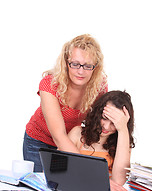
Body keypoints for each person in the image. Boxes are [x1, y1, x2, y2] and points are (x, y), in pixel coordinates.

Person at [23, 34, 108, 172]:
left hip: (71, 142)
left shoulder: (99, 87)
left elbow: (99, 124)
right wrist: (90, 169)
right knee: (44, 188)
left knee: (66, 188)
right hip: (38, 142)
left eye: (87, 66)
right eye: (75, 64)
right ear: (66, 62)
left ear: (95, 67)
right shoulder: (50, 84)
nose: (80, 71)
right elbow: (59, 136)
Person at [68, 90, 135, 191]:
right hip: (75, 189)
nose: (106, 126)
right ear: (97, 113)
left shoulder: (122, 142)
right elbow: (60, 168)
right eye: (104, 118)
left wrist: (123, 129)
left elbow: (119, 181)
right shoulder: (77, 133)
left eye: (114, 123)